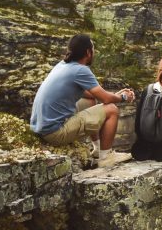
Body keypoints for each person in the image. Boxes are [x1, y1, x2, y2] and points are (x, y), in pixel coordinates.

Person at [30, 34, 135, 168]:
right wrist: (123, 97)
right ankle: (106, 157)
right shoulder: (81, 70)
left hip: (40, 128)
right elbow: (106, 99)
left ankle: (97, 149)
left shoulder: (62, 65)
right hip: (55, 133)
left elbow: (93, 94)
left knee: (90, 99)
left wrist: (114, 94)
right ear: (88, 52)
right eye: (93, 49)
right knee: (112, 109)